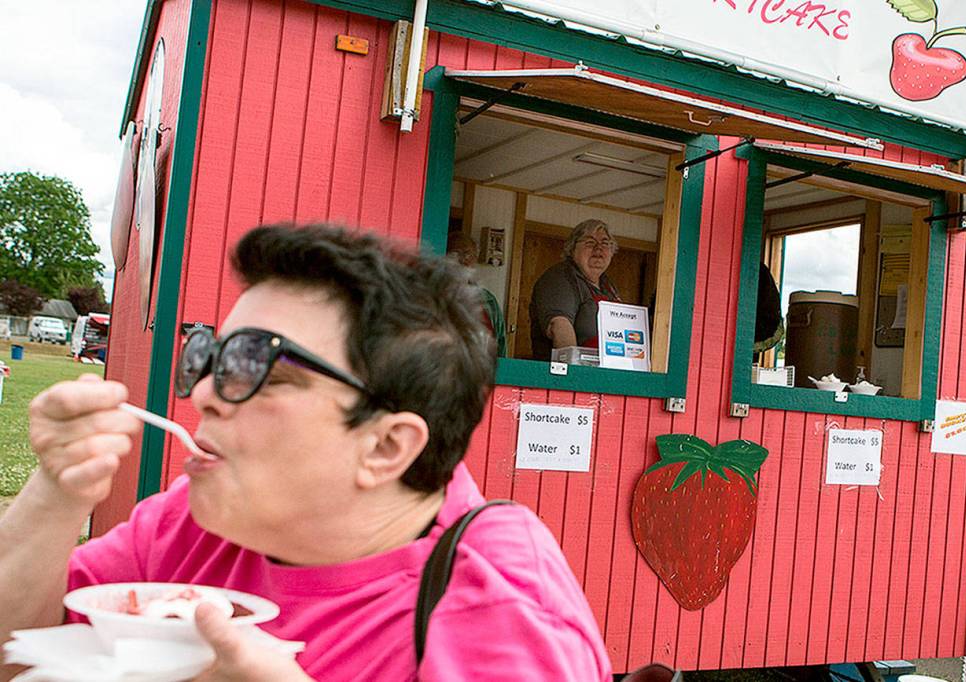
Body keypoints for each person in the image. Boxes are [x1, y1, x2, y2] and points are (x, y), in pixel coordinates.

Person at [0, 224, 612, 681]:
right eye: (211, 356)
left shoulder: (502, 612)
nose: (205, 392)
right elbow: (16, 655)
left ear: (385, 447)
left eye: (256, 365)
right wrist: (57, 493)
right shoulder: (198, 518)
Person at [529, 218, 621, 361]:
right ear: (572, 249)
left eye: (605, 243)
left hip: (606, 369)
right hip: (571, 372)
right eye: (590, 243)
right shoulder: (560, 277)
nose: (598, 249)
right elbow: (559, 326)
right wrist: (573, 371)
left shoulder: (608, 285)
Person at [446, 231, 507, 357]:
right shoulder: (434, 295)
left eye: (468, 254)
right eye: (456, 254)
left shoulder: (489, 300)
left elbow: (500, 346)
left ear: (475, 259)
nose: (463, 260)